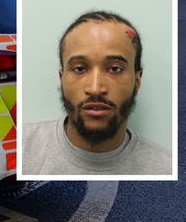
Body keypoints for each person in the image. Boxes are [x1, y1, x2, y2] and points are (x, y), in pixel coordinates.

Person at [21, 11, 172, 175]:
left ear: (137, 80)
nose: (95, 89)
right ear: (62, 78)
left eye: (115, 69)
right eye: (79, 69)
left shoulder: (165, 168)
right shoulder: (18, 148)